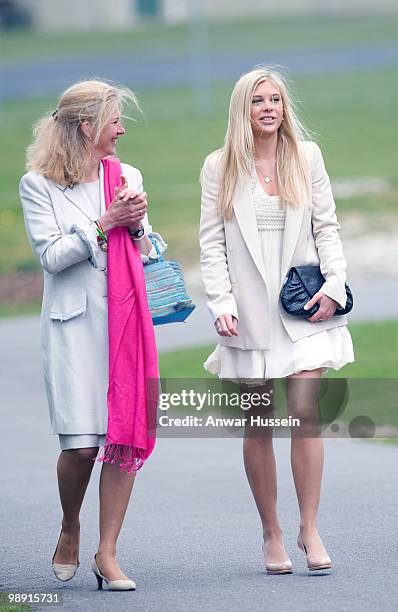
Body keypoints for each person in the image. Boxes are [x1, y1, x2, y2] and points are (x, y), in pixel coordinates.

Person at [199, 66, 354, 574]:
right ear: (242, 110)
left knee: (306, 414)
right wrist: (221, 304)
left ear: (284, 108)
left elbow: (327, 227)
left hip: (305, 308)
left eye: (276, 100)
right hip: (247, 315)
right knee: (259, 423)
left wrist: (334, 284)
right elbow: (212, 245)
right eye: (258, 101)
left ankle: (310, 528)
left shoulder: (306, 157)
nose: (269, 108)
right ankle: (272, 533)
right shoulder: (218, 167)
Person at [19, 80, 166, 591]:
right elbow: (51, 257)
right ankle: (70, 526)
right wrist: (107, 222)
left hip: (125, 327)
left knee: (122, 439)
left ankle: (108, 552)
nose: (122, 129)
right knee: (81, 448)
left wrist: (140, 223)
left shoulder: (126, 174)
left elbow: (148, 254)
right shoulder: (37, 185)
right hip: (73, 329)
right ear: (87, 127)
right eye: (114, 120)